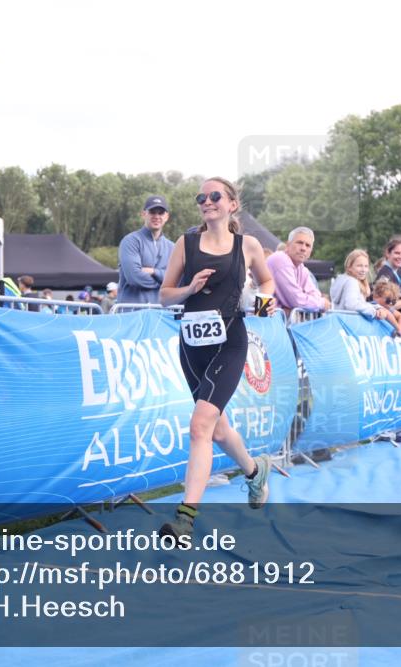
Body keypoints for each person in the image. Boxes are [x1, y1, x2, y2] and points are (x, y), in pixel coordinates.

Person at [157, 177, 276, 539]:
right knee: (217, 429)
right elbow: (164, 296)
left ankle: (185, 519)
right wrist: (190, 288)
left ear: (231, 204)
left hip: (230, 342)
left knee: (199, 426)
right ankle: (256, 472)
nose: (206, 201)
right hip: (192, 346)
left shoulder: (248, 245)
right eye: (201, 197)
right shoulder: (186, 243)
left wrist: (264, 301)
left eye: (214, 196)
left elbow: (268, 283)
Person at [118, 195, 176, 304]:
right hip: (132, 315)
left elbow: (177, 280)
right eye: (152, 212)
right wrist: (164, 282)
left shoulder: (172, 247)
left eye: (161, 213)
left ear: (167, 216)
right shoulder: (131, 241)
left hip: (159, 315)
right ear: (144, 214)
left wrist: (154, 272)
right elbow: (134, 278)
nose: (157, 216)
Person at [332, 250, 401, 336]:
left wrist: (375, 307)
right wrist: (374, 311)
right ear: (349, 267)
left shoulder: (344, 280)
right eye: (359, 266)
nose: (363, 270)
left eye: (366, 266)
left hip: (342, 328)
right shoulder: (352, 282)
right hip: (347, 329)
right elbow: (351, 304)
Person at [266, 227, 329, 313]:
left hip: (276, 321)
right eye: (299, 243)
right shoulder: (280, 260)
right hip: (262, 322)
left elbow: (315, 294)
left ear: (310, 251)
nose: (303, 248)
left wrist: (294, 306)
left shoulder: (301, 268)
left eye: (308, 245)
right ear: (288, 245)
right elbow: (297, 300)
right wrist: (321, 303)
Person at [375, 238, 401, 311]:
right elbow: (385, 304)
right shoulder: (385, 273)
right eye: (397, 253)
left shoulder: (399, 271)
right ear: (388, 253)